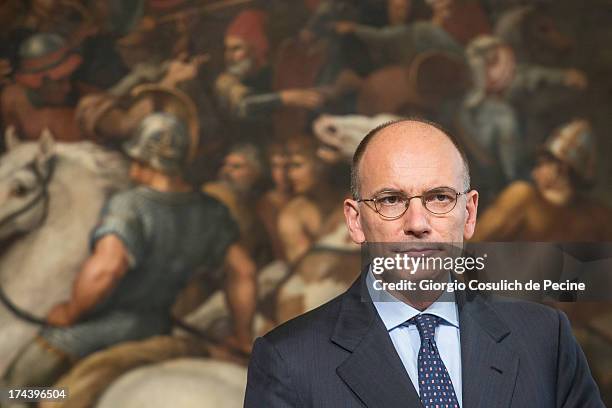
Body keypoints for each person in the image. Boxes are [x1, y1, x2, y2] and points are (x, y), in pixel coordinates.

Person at [244, 119, 604, 407]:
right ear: (355, 221)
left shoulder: (545, 339)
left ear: (469, 213)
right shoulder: (288, 361)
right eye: (390, 199)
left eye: (439, 197)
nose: (417, 223)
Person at [4, 112, 256, 388]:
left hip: (105, 332)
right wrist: (243, 336)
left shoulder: (131, 205)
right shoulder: (212, 211)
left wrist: (70, 312)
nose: (132, 169)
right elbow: (243, 271)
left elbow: (106, 270)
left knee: (16, 387)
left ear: (148, 161)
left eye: (136, 160)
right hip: (159, 329)